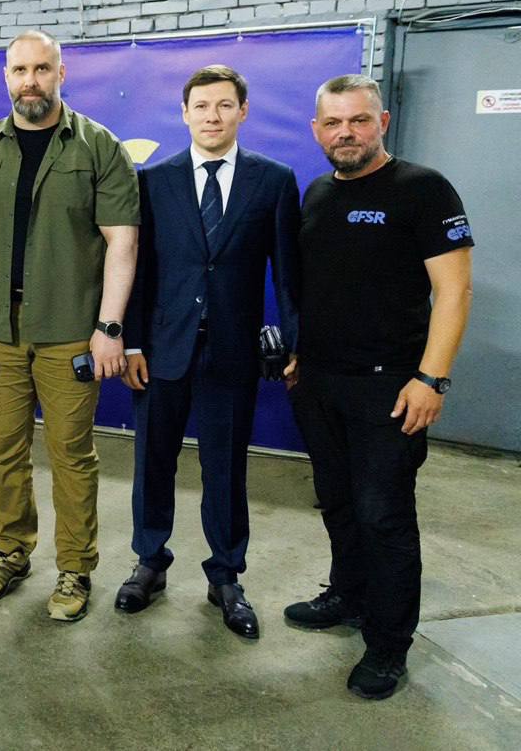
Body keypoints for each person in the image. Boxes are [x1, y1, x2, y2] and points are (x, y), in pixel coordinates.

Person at [284, 74, 473, 699]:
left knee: (383, 516)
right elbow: (320, 287)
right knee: (337, 502)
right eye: (334, 123)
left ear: (382, 122)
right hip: (318, 381)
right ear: (316, 130)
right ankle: (348, 594)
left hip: (390, 388)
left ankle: (389, 644)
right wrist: (299, 354)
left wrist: (431, 378)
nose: (346, 133)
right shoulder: (316, 193)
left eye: (359, 120)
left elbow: (455, 290)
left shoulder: (422, 188)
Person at [0, 29, 139, 622]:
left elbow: (123, 241)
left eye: (41, 69)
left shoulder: (99, 147)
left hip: (70, 331)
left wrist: (110, 327)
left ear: (61, 74)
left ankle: (75, 568)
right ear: (5, 77)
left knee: (71, 454)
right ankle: (12, 551)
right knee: (3, 451)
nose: (29, 81)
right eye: (19, 70)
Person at [117, 65, 301, 639]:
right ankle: (150, 562)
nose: (212, 116)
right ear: (185, 114)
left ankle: (226, 575)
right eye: (201, 106)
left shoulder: (274, 181)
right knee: (153, 462)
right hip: (162, 350)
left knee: (225, 468)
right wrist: (132, 341)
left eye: (224, 105)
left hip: (232, 352)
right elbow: (139, 270)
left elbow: (287, 275)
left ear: (243, 111)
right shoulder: (154, 181)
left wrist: (296, 343)